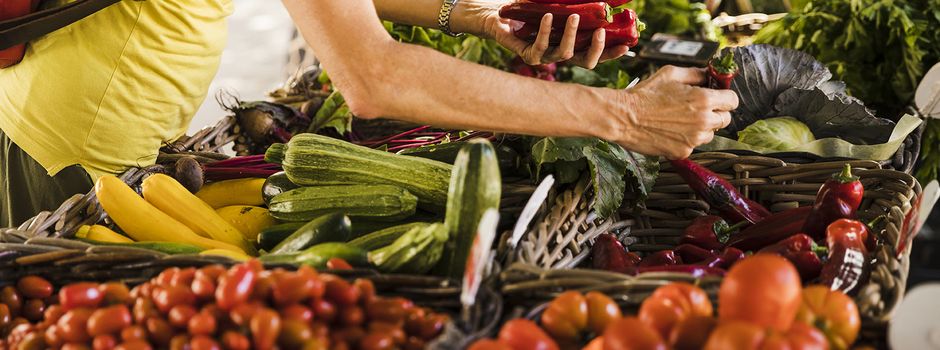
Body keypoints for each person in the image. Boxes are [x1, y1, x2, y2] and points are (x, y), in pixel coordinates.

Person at [0, 0, 737, 227]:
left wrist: (477, 19)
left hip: (72, 119)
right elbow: (373, 78)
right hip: (65, 150)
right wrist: (625, 116)